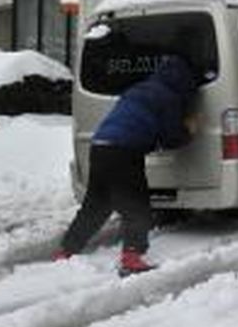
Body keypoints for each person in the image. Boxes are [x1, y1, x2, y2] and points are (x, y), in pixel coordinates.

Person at [53, 55, 200, 276]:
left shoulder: (138, 89)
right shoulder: (170, 97)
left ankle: (66, 251)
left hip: (100, 146)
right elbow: (172, 138)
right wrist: (189, 130)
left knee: (95, 206)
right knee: (137, 207)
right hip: (124, 151)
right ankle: (132, 257)